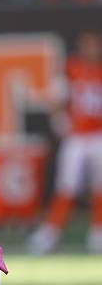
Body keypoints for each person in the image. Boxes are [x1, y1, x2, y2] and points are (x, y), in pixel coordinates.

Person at [28, 31, 102, 254]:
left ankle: (98, 232)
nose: (91, 50)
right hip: (77, 136)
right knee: (66, 185)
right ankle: (51, 231)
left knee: (99, 187)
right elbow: (57, 98)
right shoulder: (71, 68)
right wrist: (61, 117)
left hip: (98, 135)